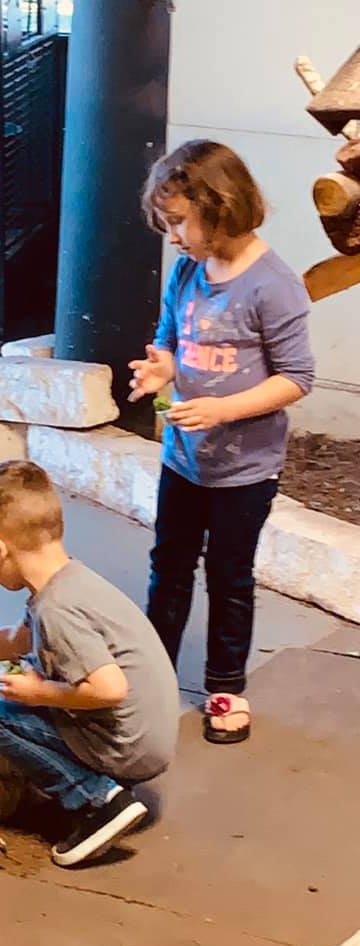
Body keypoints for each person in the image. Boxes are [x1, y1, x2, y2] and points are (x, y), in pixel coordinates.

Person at [129, 139, 315, 744]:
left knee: (230, 577)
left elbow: (297, 378)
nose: (174, 236)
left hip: (246, 470)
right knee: (169, 565)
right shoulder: (187, 271)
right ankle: (154, 673)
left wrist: (223, 409)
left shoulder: (273, 284)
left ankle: (226, 687)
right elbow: (169, 342)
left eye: (180, 221)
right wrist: (160, 370)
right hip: (184, 461)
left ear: (221, 206)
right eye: (166, 224)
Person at [0, 460, 178, 867]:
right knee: (35, 663)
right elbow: (19, 640)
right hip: (148, 735)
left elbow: (109, 689)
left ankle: (100, 801)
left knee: (3, 719)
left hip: (130, 748)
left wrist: (39, 694)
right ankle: (99, 784)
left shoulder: (57, 609)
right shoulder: (71, 582)